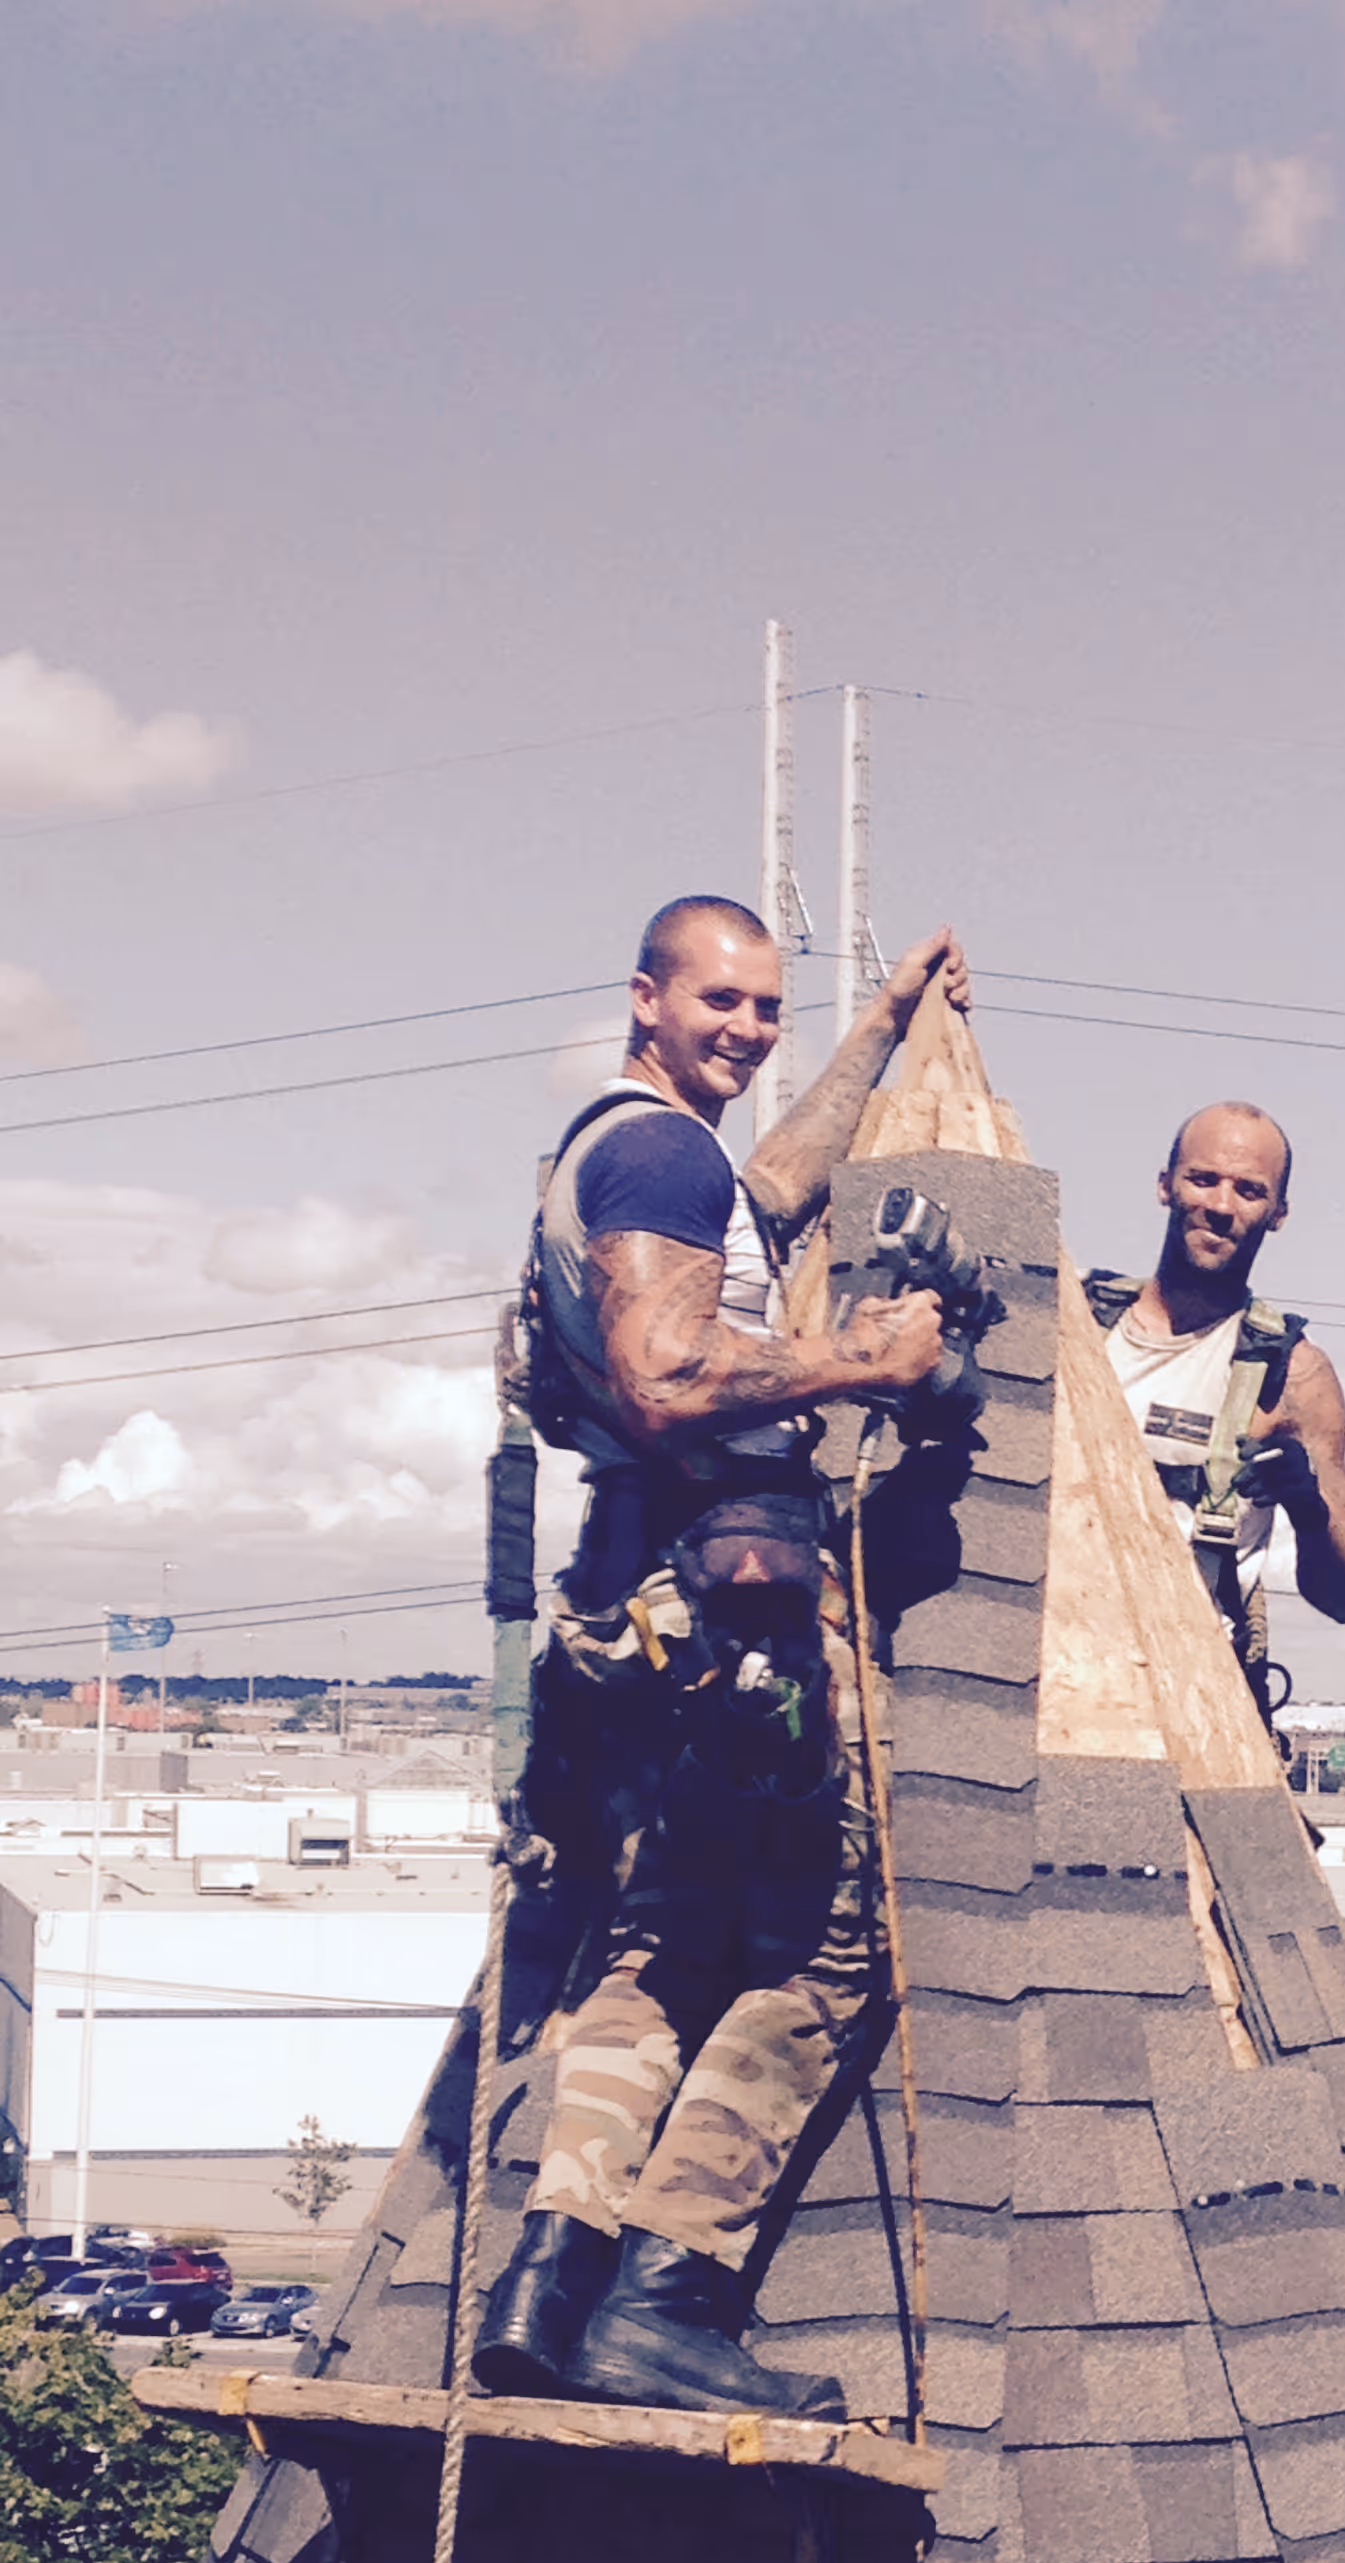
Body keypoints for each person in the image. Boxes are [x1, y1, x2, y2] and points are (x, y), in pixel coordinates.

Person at [476, 894, 964, 2416]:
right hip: (719, 1614)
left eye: (766, 1008)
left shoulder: (655, 1157)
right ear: (644, 998)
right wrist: (865, 1359)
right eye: (722, 1005)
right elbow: (668, 1365)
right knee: (827, 1947)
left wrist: (872, 1033)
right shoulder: (652, 1151)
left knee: (662, 1942)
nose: (748, 1031)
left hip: (637, 1603)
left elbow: (766, 1194)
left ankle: (549, 2288)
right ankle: (669, 2293)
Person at [1093, 1101, 1345, 1692]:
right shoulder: (1078, 1328)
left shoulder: (1293, 1375)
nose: (1221, 1206)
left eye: (1249, 1190)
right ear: (1165, 1186)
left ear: (1278, 1213)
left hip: (1192, 1697)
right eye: (1203, 1179)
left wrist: (1307, 1508)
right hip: (1057, 1673)